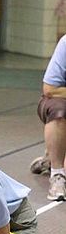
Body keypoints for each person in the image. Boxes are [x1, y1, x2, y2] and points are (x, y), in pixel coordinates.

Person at [31, 34, 66, 200]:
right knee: (60, 112)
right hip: (60, 101)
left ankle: (51, 157)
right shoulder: (65, 43)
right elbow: (50, 89)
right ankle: (57, 173)